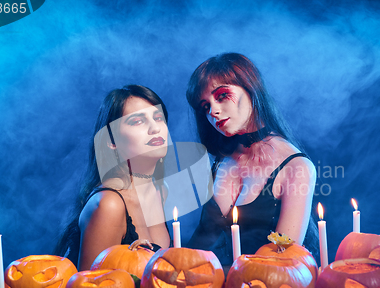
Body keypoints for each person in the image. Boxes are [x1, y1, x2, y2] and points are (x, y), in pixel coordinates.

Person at [186, 53, 319, 268]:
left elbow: (283, 262)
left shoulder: (297, 167)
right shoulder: (222, 162)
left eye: (221, 95)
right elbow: (200, 244)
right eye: (205, 107)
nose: (214, 112)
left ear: (250, 88)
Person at [54, 85, 171, 270]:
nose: (155, 128)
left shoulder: (159, 191)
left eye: (158, 118)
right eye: (137, 121)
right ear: (112, 142)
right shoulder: (109, 204)